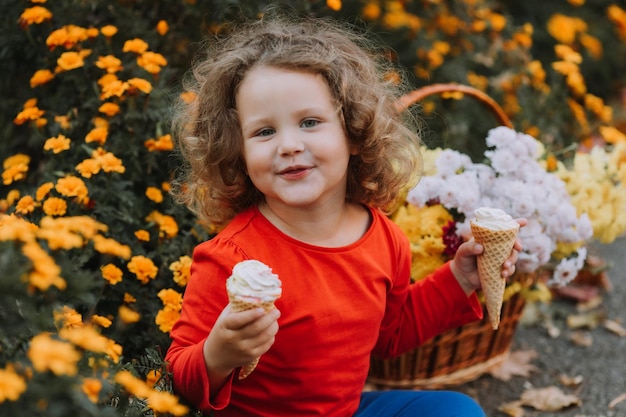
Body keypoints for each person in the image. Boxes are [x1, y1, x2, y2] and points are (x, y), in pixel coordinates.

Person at [166, 12, 524, 417]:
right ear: (239, 152)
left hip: (345, 411)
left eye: (310, 122)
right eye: (264, 132)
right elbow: (180, 378)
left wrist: (461, 278)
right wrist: (217, 354)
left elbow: (392, 335)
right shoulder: (232, 259)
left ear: (355, 133)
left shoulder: (383, 236)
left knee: (457, 411)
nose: (288, 145)